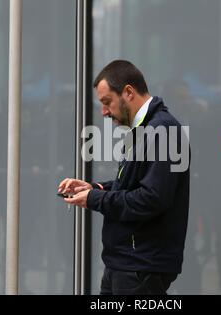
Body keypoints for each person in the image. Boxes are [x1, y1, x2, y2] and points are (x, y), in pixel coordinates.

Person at [58, 60, 190, 295]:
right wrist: (93, 187)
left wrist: (95, 198)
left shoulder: (163, 131)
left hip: (139, 266)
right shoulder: (143, 129)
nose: (103, 112)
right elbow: (130, 186)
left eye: (107, 102)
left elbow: (150, 199)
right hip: (127, 263)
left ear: (128, 92)